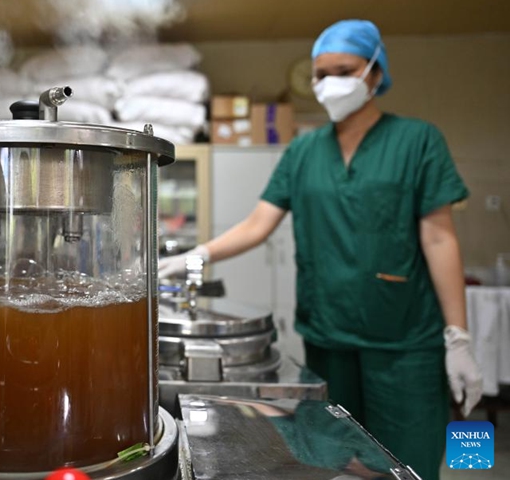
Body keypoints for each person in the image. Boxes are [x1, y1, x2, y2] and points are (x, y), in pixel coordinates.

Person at [159, 19, 482, 480]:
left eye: (344, 69)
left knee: (408, 459)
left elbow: (438, 238)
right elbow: (257, 224)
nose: (330, 83)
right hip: (329, 336)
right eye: (321, 73)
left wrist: (459, 337)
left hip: (404, 342)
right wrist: (195, 257)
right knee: (332, 461)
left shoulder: (418, 141)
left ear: (374, 72)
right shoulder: (303, 152)